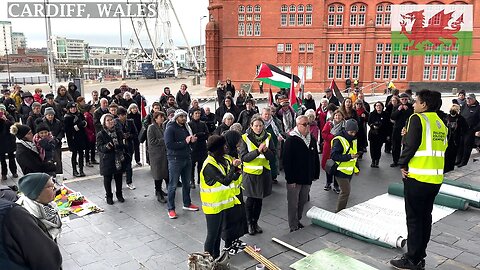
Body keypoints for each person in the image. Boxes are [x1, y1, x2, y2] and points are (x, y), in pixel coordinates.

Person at [390, 90, 447, 270]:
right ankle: (420, 256)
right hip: (435, 179)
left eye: (416, 101)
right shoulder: (440, 122)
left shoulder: (417, 119)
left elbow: (411, 145)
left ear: (424, 104)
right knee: (425, 218)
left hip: (417, 178)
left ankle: (412, 259)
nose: (414, 104)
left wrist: (402, 164)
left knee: (414, 219)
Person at [0, 175, 62, 269]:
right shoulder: (21, 215)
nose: (55, 189)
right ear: (36, 192)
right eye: (50, 187)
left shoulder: (49, 207)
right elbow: (45, 258)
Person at [200, 135, 242, 259]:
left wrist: (237, 169)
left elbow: (231, 177)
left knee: (218, 234)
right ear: (217, 148)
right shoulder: (209, 165)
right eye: (223, 146)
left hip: (221, 203)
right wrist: (234, 168)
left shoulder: (222, 159)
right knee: (212, 235)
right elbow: (225, 180)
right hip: (212, 207)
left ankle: (216, 257)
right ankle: (207, 260)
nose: (226, 147)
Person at [283, 115, 320, 232]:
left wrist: (315, 174)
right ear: (297, 125)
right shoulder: (291, 140)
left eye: (308, 124)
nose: (307, 126)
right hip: (295, 179)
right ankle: (293, 225)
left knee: (303, 200)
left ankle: (297, 220)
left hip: (307, 177)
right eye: (304, 124)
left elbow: (315, 158)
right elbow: (287, 161)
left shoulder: (311, 139)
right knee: (293, 203)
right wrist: (290, 180)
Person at [239, 116, 275, 235]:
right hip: (250, 174)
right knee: (250, 200)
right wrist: (257, 151)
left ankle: (256, 222)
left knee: (259, 200)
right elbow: (244, 158)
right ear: (251, 126)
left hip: (264, 173)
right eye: (256, 126)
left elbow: (273, 156)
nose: (258, 128)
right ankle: (249, 223)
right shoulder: (245, 138)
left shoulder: (268, 137)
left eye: (260, 126)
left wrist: (266, 151)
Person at [164, 109, 200, 219]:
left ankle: (187, 203)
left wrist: (192, 141)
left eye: (185, 116)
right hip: (175, 159)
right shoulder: (170, 128)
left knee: (187, 183)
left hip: (187, 157)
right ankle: (171, 209)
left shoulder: (186, 127)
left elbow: (188, 142)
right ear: (176, 117)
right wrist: (186, 141)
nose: (184, 118)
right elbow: (169, 145)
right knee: (173, 185)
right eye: (181, 116)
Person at [222, 130, 248, 253]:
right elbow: (226, 176)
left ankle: (236, 239)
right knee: (230, 218)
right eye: (237, 141)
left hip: (237, 190)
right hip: (229, 193)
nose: (239, 143)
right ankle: (228, 244)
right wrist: (234, 166)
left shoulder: (234, 153)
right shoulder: (224, 156)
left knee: (239, 216)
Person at [330, 119, 360, 212]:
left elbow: (354, 154)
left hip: (349, 170)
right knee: (345, 192)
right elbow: (334, 155)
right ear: (346, 130)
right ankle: (339, 212)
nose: (353, 134)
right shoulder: (338, 140)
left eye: (355, 132)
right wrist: (349, 156)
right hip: (340, 170)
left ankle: (341, 210)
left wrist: (356, 168)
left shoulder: (353, 139)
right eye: (351, 132)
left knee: (345, 192)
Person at [97, 114, 126, 205]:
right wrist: (107, 146)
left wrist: (123, 144)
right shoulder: (101, 134)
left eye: (111, 120)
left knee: (118, 177)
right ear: (104, 123)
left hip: (118, 157)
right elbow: (99, 148)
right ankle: (109, 196)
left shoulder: (118, 131)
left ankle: (119, 194)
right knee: (108, 178)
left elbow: (123, 142)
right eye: (108, 120)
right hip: (107, 159)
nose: (110, 122)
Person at [147, 111, 169, 203]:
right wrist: (164, 140)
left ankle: (159, 190)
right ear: (155, 118)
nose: (162, 119)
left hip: (163, 154)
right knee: (158, 174)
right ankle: (158, 192)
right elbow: (152, 141)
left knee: (164, 172)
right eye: (161, 117)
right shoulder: (151, 128)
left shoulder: (163, 126)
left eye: (163, 117)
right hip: (156, 155)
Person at [321, 110, 344, 193]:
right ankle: (328, 182)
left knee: (338, 167)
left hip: (340, 148)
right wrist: (333, 137)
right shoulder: (329, 124)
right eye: (336, 115)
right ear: (333, 116)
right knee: (329, 165)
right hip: (329, 147)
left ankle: (336, 185)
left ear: (342, 117)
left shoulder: (344, 125)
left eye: (339, 115)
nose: (337, 117)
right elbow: (324, 134)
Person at [115, 106, 138, 190]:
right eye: (122, 115)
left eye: (125, 114)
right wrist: (121, 137)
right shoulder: (115, 123)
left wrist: (129, 135)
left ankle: (129, 182)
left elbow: (136, 134)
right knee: (119, 167)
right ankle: (118, 185)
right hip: (119, 148)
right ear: (118, 115)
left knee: (129, 165)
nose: (124, 116)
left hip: (128, 146)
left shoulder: (130, 122)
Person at [64, 102, 87, 177]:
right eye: (71, 108)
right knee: (74, 154)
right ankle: (74, 170)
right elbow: (68, 129)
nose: (73, 109)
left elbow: (84, 122)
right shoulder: (67, 117)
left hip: (81, 137)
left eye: (74, 108)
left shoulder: (79, 114)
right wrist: (78, 126)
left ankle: (81, 169)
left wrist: (84, 123)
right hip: (72, 138)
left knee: (81, 153)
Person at [456, 93, 480, 167]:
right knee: (460, 145)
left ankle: (464, 162)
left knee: (467, 146)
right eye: (467, 99)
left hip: (471, 130)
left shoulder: (478, 108)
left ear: (474, 99)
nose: (468, 100)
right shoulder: (464, 106)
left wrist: (476, 129)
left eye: (470, 99)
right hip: (462, 129)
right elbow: (460, 115)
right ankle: (458, 160)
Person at [261, 107, 284, 184]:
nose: (267, 116)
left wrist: (280, 136)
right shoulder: (259, 123)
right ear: (262, 114)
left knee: (273, 160)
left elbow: (280, 131)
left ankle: (273, 176)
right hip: (263, 146)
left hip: (274, 144)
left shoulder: (275, 122)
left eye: (268, 114)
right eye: (265, 114)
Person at [390, 93, 413, 167]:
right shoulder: (396, 106)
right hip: (397, 128)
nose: (404, 101)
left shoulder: (411, 106)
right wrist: (398, 110)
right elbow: (392, 117)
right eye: (402, 99)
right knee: (395, 145)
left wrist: (407, 110)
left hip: (407, 128)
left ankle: (404, 161)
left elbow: (412, 116)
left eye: (406, 99)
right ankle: (395, 161)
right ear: (400, 100)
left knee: (406, 146)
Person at [188, 108, 209, 188]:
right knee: (192, 165)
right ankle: (192, 181)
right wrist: (199, 135)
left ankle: (200, 180)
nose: (198, 115)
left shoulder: (203, 123)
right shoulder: (189, 124)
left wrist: (199, 135)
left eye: (199, 113)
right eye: (196, 113)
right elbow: (190, 135)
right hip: (193, 148)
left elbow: (206, 134)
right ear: (192, 114)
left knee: (201, 165)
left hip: (202, 147)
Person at [444, 104, 468, 173]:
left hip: (455, 141)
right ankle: (445, 169)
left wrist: (460, 135)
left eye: (454, 110)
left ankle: (450, 170)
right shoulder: (446, 117)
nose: (452, 111)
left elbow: (465, 128)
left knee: (452, 156)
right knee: (446, 156)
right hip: (447, 139)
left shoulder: (460, 118)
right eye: (452, 110)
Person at [368, 102, 389, 168]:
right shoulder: (372, 114)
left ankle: (377, 160)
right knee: (372, 148)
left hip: (381, 134)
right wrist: (373, 126)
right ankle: (373, 160)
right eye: (377, 106)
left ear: (382, 107)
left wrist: (388, 135)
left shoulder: (385, 114)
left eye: (380, 106)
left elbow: (388, 124)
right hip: (373, 133)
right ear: (375, 107)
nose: (378, 107)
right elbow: (369, 122)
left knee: (378, 148)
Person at [0, 104, 17, 180]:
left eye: (2, 110)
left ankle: (14, 172)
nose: (1, 111)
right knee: (2, 159)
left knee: (11, 157)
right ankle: (4, 173)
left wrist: (6, 120)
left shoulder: (9, 116)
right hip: (1, 141)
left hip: (10, 140)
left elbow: (14, 126)